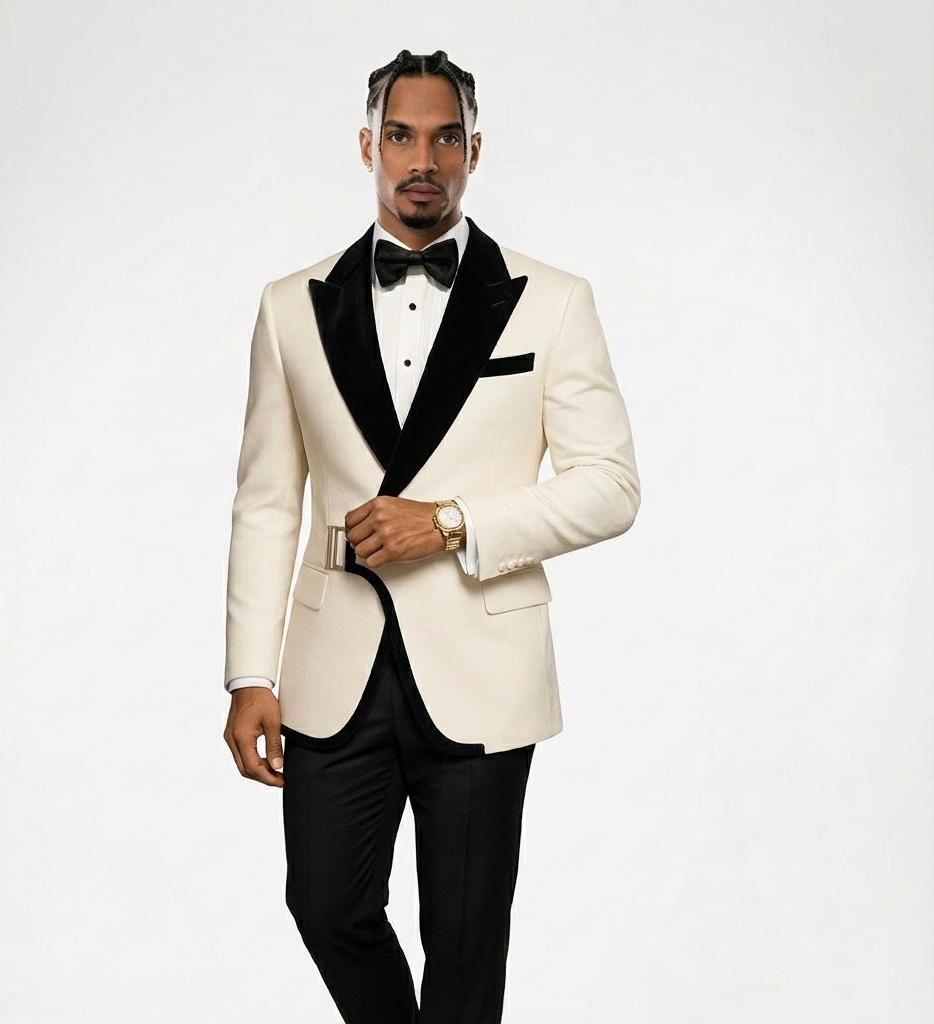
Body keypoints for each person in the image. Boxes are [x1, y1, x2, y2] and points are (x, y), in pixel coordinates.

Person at [222, 49, 640, 1024]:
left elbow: (611, 487)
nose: (424, 160)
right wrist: (249, 672)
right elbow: (266, 502)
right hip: (332, 670)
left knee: (464, 944)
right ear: (367, 146)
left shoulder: (552, 299)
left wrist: (452, 523)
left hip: (482, 666)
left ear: (473, 151)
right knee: (326, 906)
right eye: (402, 137)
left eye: (445, 138)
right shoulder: (290, 306)